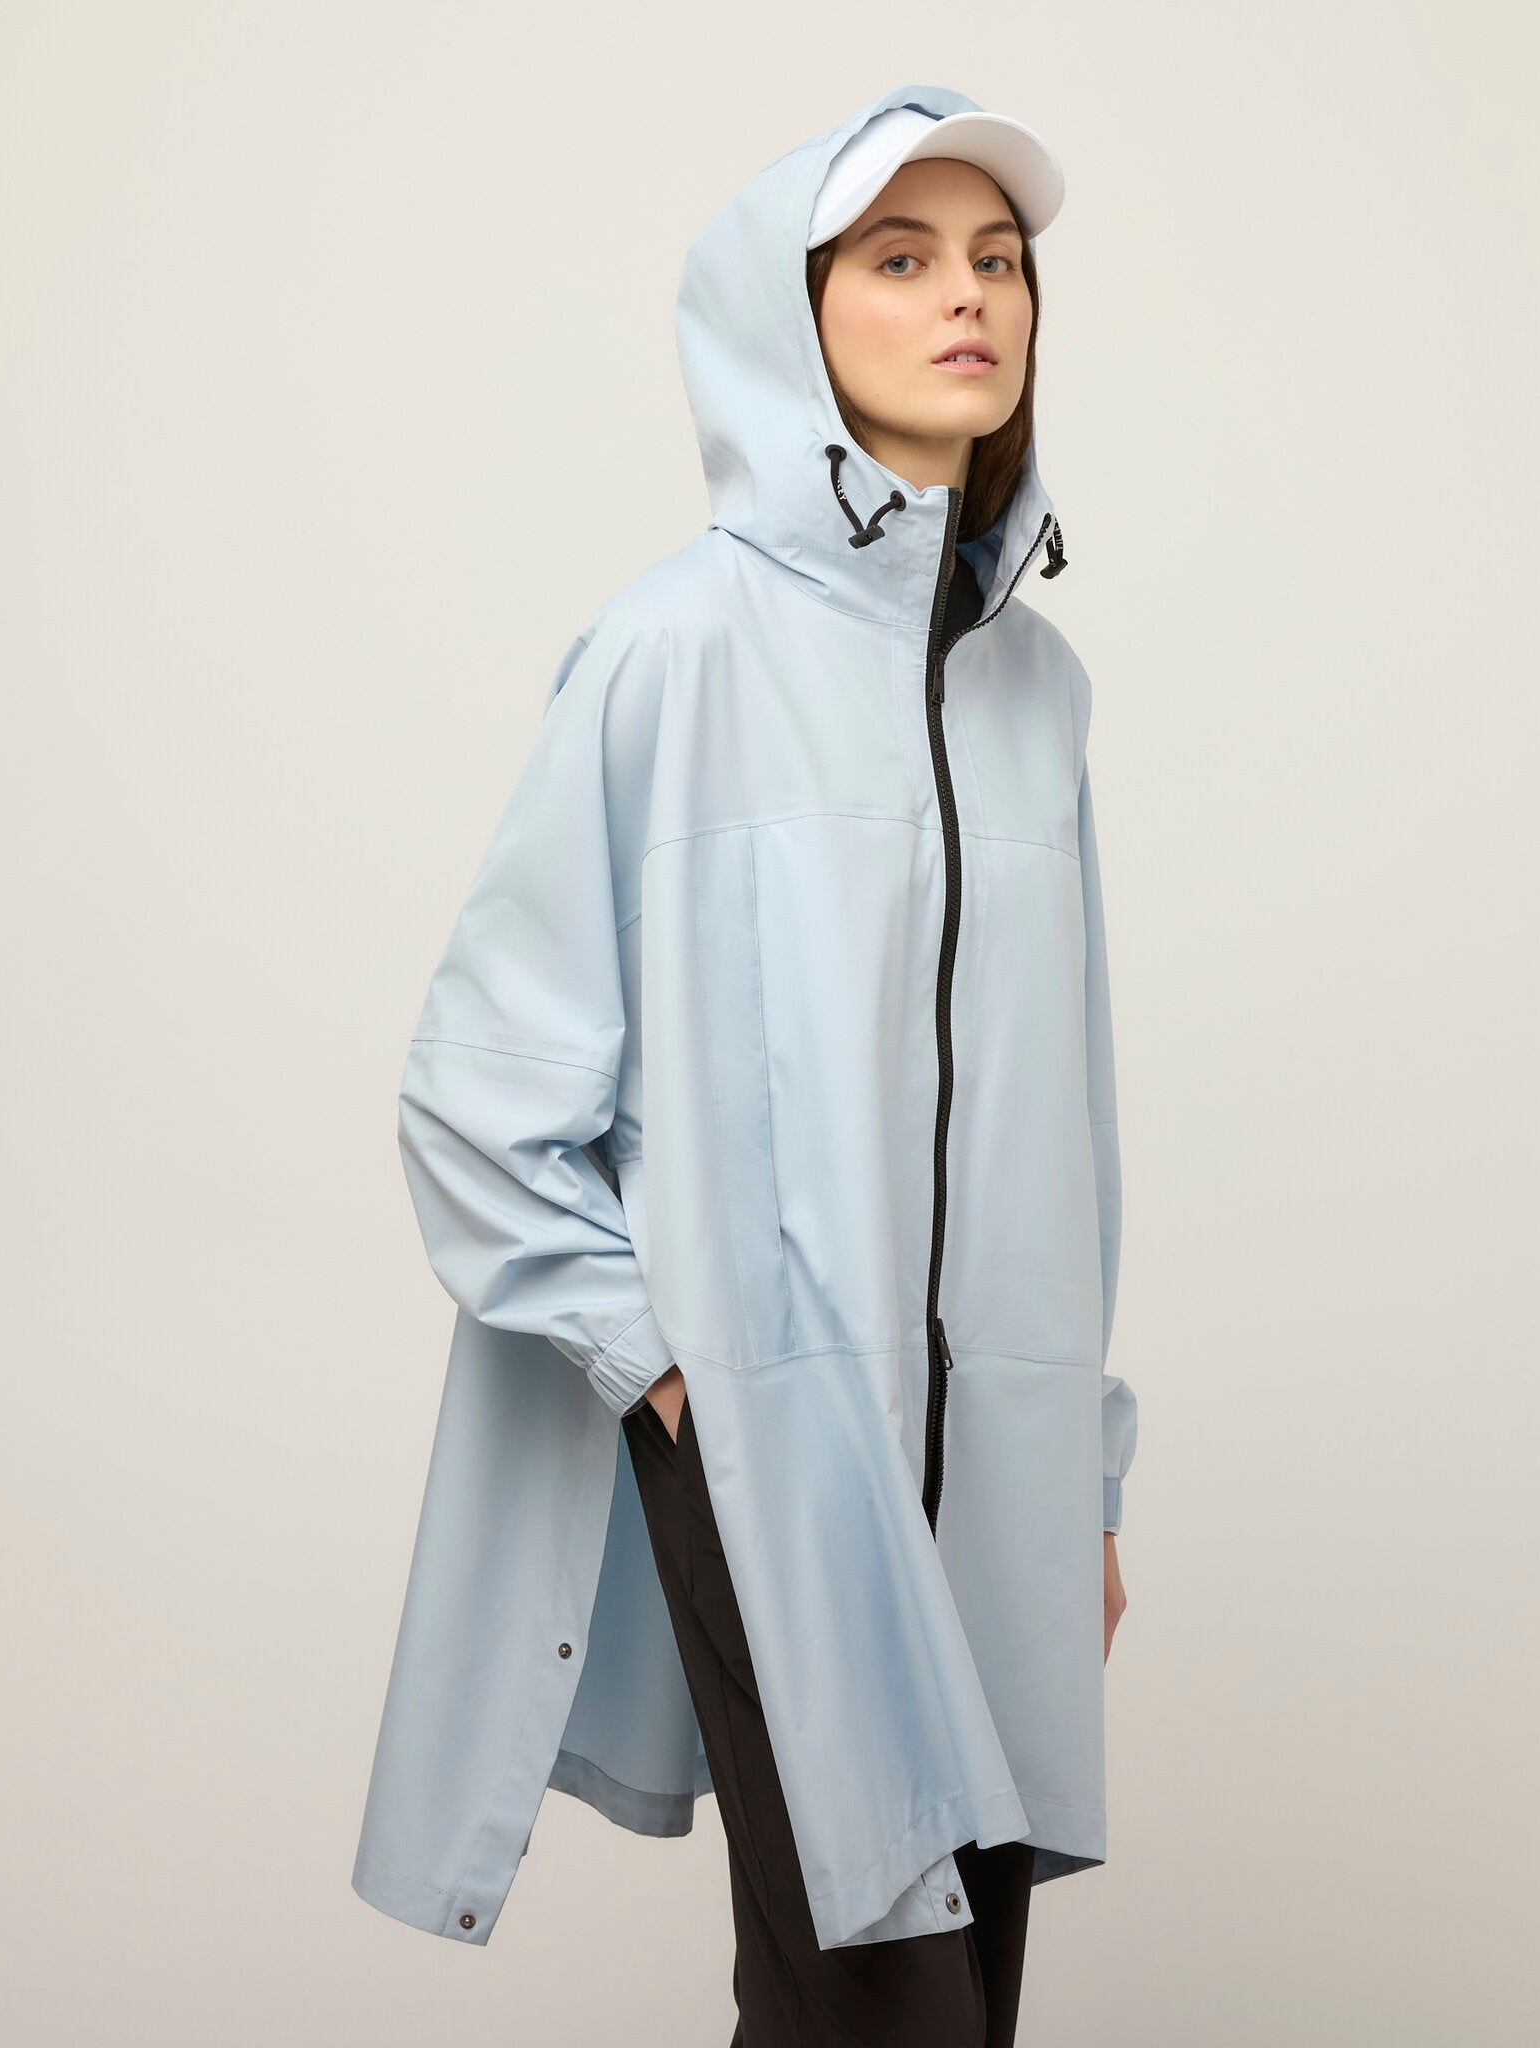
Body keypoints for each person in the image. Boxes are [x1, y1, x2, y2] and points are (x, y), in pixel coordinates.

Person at [351, 84, 1139, 2048]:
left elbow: (1069, 1129)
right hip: (777, 1441)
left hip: (996, 1462)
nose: (968, 296)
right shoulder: (673, 652)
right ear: (790, 316)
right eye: (902, 257)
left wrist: (1087, 1468)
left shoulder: (1036, 691)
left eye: (997, 260)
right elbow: (478, 1093)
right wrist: (671, 1365)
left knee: (955, 1994)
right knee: (880, 2009)